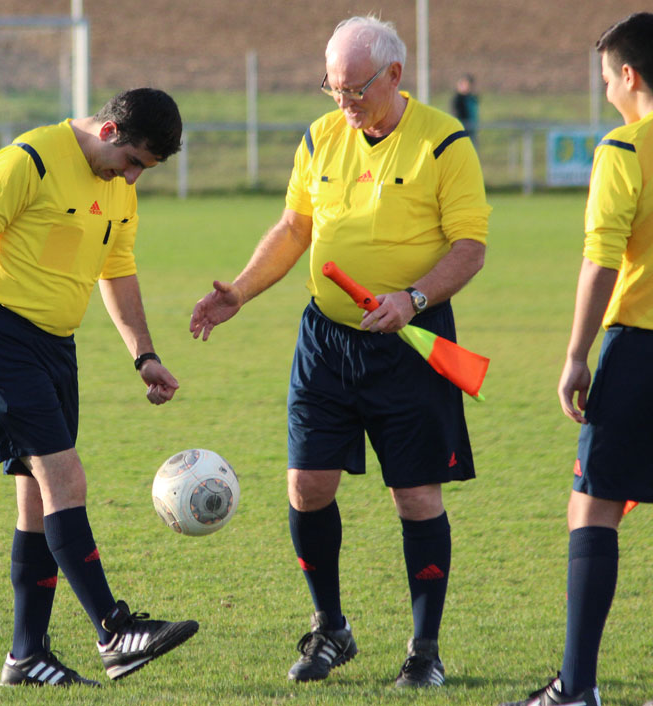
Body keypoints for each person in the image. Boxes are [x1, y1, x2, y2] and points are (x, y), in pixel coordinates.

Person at [190, 15, 489, 688]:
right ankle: (331, 628)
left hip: (413, 341)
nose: (344, 103)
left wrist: (411, 299)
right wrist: (239, 292)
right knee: (307, 486)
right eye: (333, 88)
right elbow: (296, 226)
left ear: (394, 76)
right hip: (325, 343)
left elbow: (469, 246)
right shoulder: (321, 136)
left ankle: (424, 650)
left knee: (415, 498)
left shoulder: (444, 143)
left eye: (356, 89)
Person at [0, 88, 198, 688]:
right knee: (65, 480)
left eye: (144, 172)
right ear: (109, 131)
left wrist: (143, 354)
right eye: (133, 163)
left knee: (38, 501)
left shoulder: (119, 191)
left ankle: (26, 657)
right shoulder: (31, 160)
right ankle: (114, 630)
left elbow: (116, 270)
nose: (133, 178)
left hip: (56, 347)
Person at [501, 12, 653, 706]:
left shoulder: (625, 150)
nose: (606, 97)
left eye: (605, 82)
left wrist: (575, 355)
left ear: (630, 75)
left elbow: (600, 261)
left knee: (592, 508)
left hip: (640, 349)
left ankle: (578, 689)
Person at [451, 74, 479, 147]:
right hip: (462, 131)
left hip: (471, 130)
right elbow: (456, 115)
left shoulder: (472, 98)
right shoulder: (457, 100)